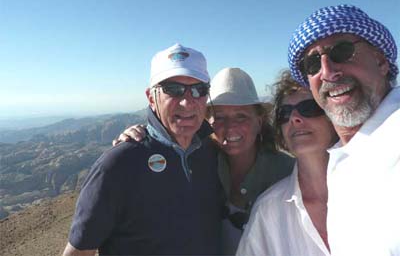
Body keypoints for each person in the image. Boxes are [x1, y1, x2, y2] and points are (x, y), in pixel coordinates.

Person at [62, 43, 221, 256]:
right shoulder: (119, 164)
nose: (187, 101)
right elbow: (78, 252)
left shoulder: (212, 152)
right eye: (173, 89)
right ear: (151, 98)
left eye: (199, 90)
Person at [115, 67, 294, 254]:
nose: (230, 127)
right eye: (219, 117)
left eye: (241, 117)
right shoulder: (199, 161)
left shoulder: (287, 174)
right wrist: (140, 139)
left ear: (259, 122)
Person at [288, 4, 400, 255]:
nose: (327, 72)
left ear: (380, 61)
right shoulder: (340, 160)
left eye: (342, 51)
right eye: (313, 63)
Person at [236, 70, 336, 256]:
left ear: (333, 118)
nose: (294, 119)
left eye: (309, 108)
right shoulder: (267, 211)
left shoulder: (382, 188)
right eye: (284, 113)